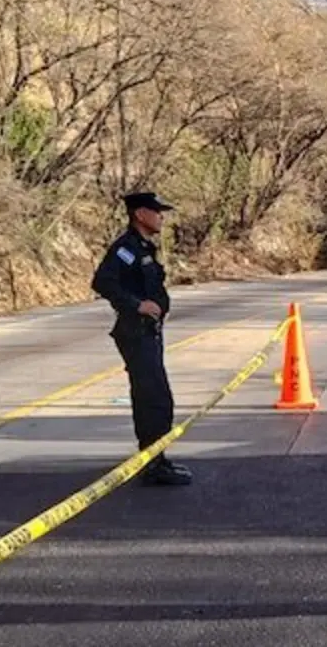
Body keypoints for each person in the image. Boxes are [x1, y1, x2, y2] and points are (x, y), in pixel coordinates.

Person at [91, 191, 192, 486]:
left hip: (149, 332)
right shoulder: (126, 249)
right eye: (156, 211)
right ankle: (152, 463)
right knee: (154, 399)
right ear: (140, 214)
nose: (161, 216)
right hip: (135, 332)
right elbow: (102, 282)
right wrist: (136, 305)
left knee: (156, 398)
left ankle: (155, 458)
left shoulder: (144, 248)